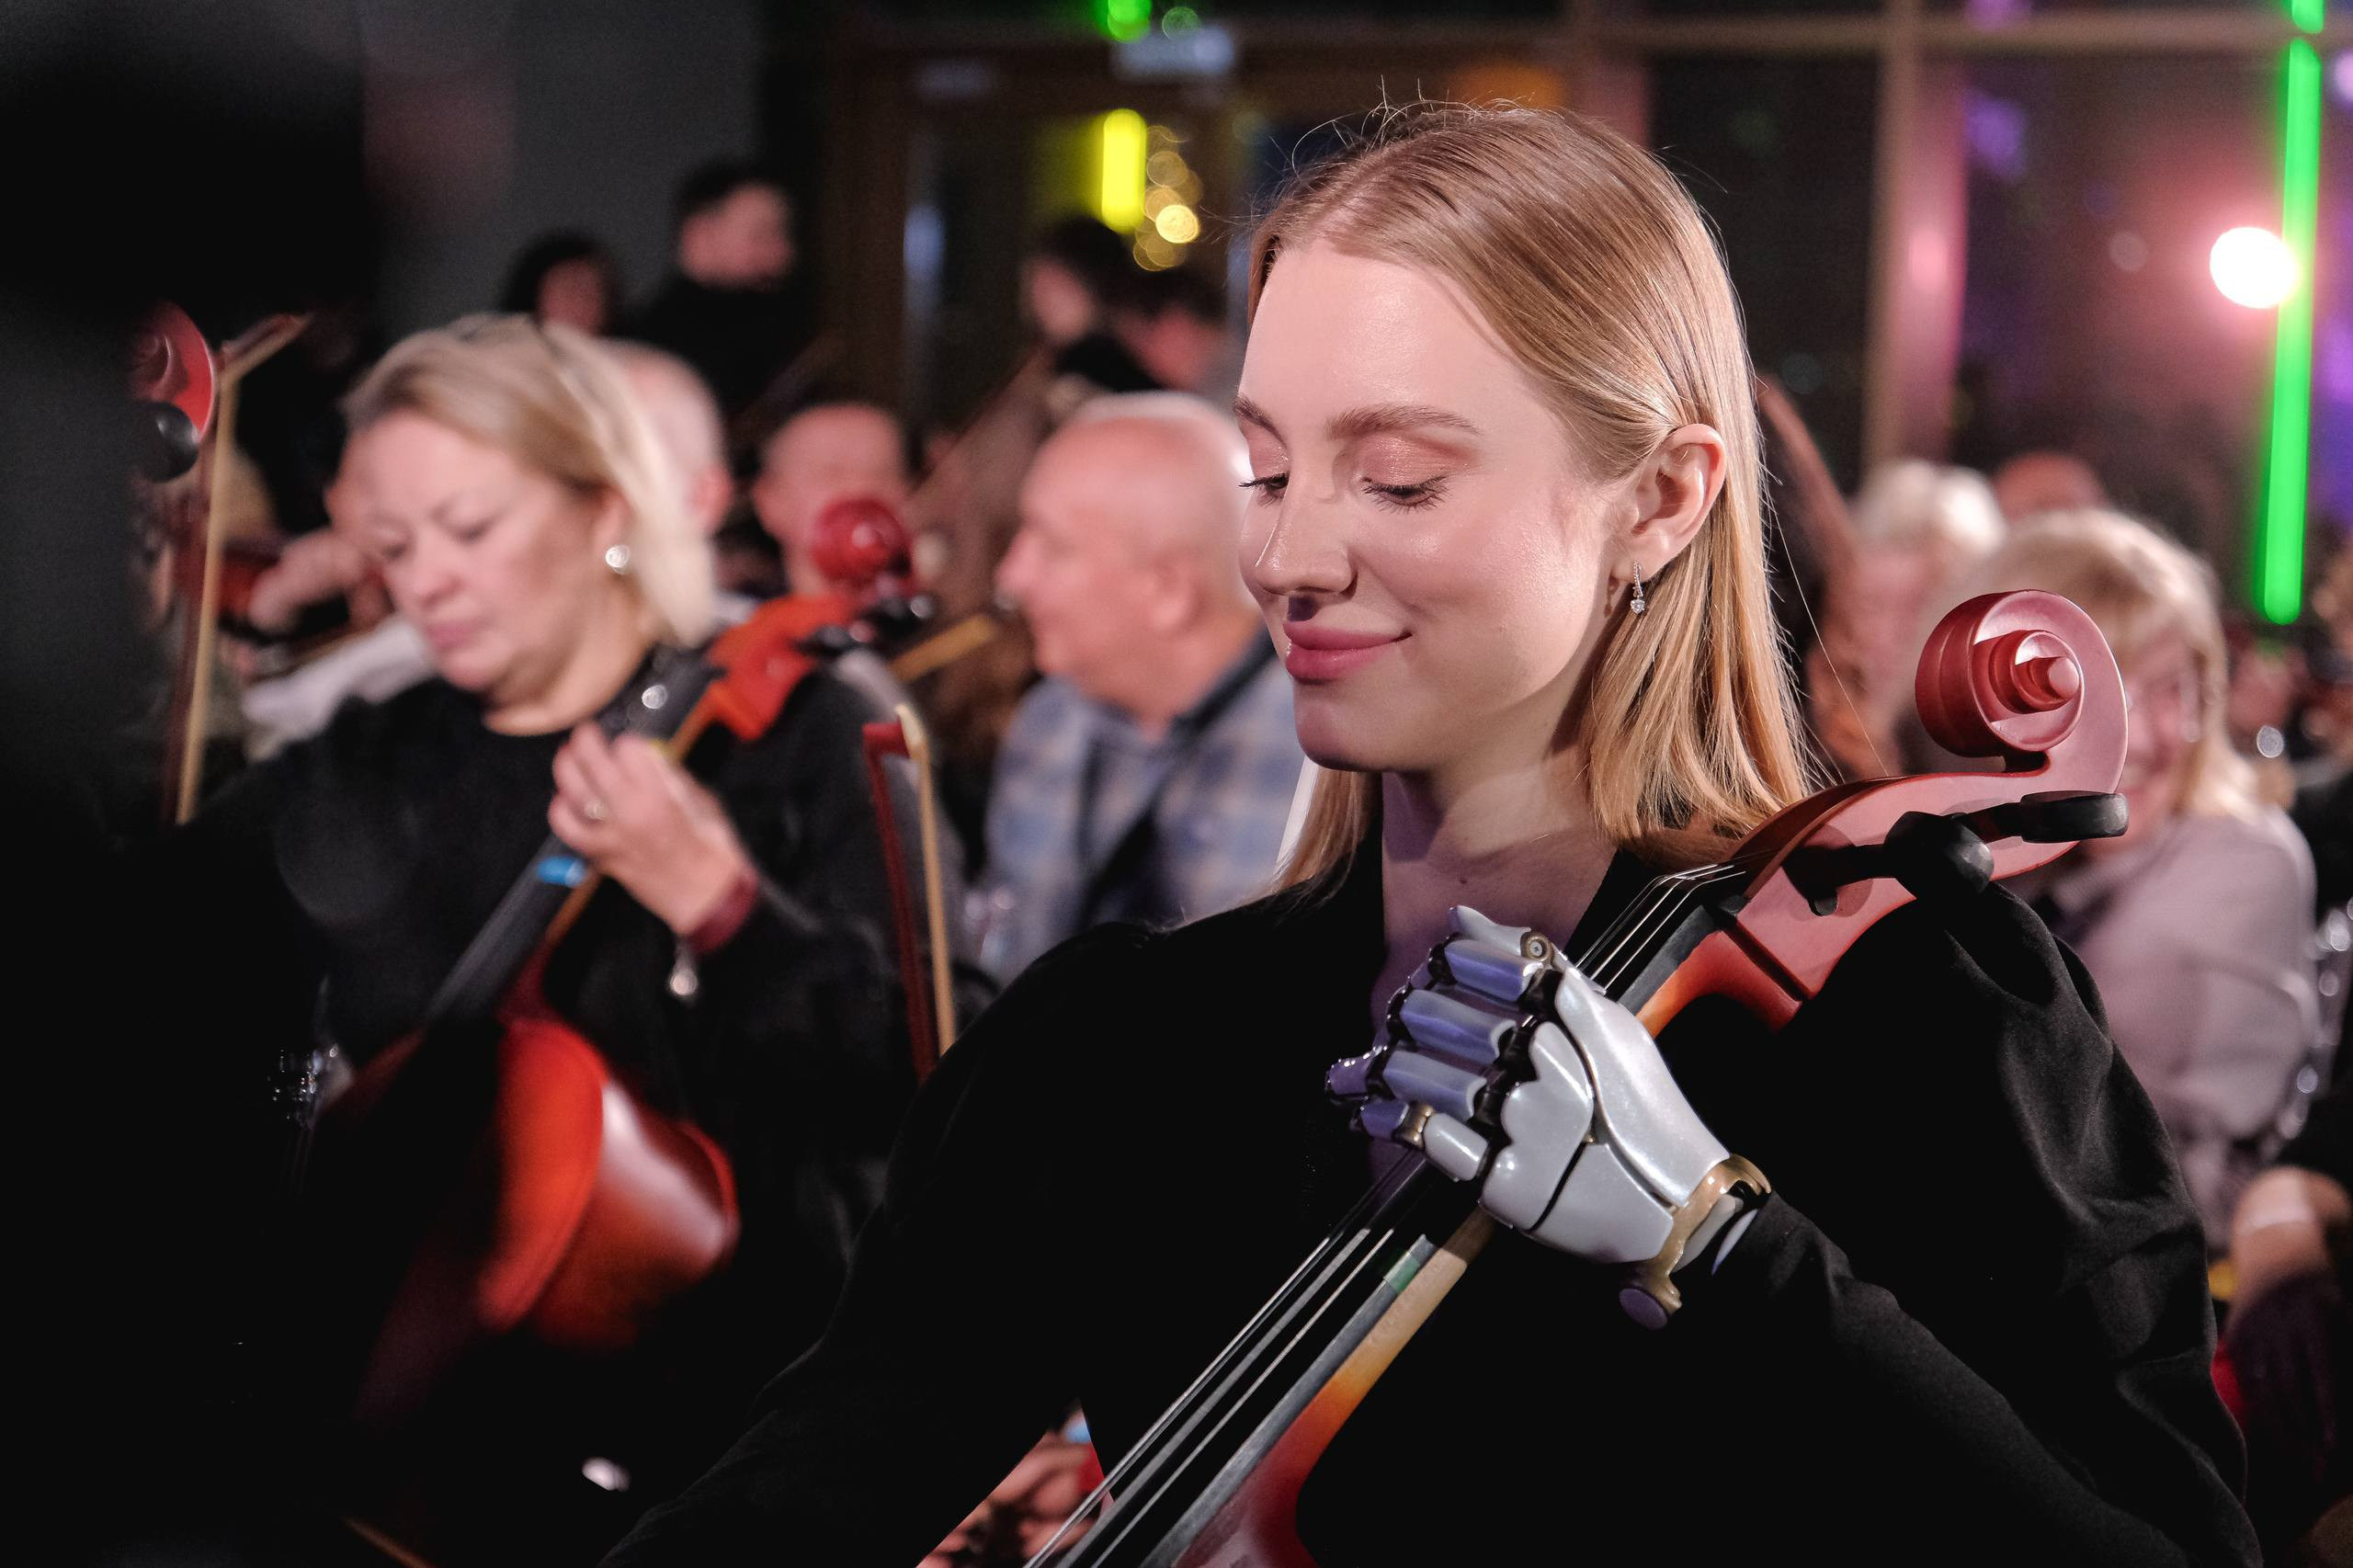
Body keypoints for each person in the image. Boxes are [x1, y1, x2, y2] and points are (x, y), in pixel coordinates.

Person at [608, 105, 2250, 1565]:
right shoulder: (1117, 1046)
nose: (1293, 555)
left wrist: (1722, 1245)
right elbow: (806, 1493)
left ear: (1662, 502)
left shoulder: (1920, 1011)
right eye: (1264, 470)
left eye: (1395, 480)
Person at [142, 315, 918, 1558]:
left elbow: (907, 1078)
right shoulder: (370, 760)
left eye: (471, 529)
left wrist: (722, 906)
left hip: (745, 1426)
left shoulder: (795, 731)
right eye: (389, 546)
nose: (424, 583)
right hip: (431, 1458)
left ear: (604, 506)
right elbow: (134, 953)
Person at [1978, 511, 2321, 1249]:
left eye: (2169, 689)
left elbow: (2075, 1124)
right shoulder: (2014, 849)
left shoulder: (2242, 860)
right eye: (2089, 688)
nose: (2132, 735)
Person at [979, 392, 1302, 981]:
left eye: (1050, 546)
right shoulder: (1048, 724)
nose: (1011, 577)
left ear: (1169, 592)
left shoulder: (1322, 756)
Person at [627, 162, 810, 421]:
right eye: (763, 235)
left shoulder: (774, 321)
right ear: (700, 235)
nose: (783, 254)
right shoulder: (653, 344)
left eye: (783, 236)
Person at [750, 400, 913, 600]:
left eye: (881, 472)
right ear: (769, 502)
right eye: (831, 473)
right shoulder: (756, 629)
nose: (861, 488)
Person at [501, 232, 622, 336]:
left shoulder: (621, 358)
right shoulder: (497, 351)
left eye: (593, 293)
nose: (581, 302)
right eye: (570, 288)